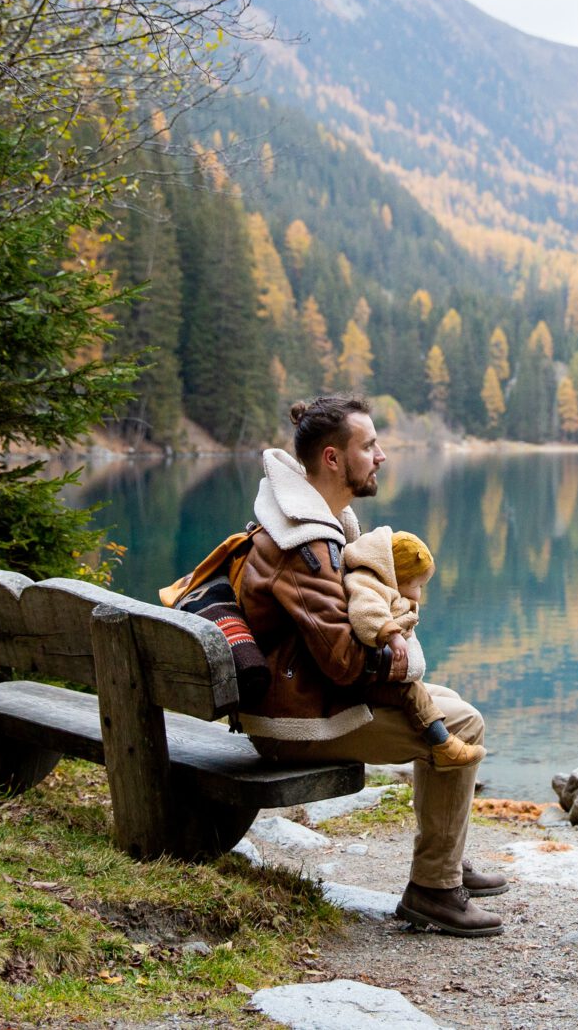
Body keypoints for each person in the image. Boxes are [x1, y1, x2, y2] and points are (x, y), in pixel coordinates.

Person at [234, 395, 506, 937]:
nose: (380, 455)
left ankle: (442, 861)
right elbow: (341, 662)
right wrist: (396, 652)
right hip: (296, 721)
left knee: (455, 710)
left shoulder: (309, 521)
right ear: (333, 459)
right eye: (369, 446)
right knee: (458, 723)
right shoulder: (305, 545)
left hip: (295, 695)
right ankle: (433, 888)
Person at [339, 526, 486, 771]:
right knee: (412, 691)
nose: (418, 595)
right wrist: (392, 634)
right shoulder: (366, 583)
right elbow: (365, 613)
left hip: (372, 675)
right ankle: (442, 744)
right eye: (418, 585)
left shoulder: (381, 582)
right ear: (398, 577)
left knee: (449, 697)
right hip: (364, 682)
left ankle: (445, 753)